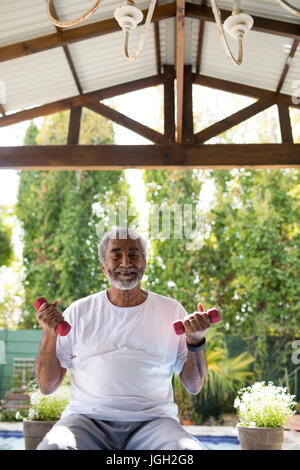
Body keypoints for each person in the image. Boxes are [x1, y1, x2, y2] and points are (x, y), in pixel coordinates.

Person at [34, 227, 211, 450]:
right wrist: (49, 333)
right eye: (116, 255)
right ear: (103, 266)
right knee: (53, 448)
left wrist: (195, 341)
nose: (126, 262)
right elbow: (47, 386)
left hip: (153, 422)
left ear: (144, 263)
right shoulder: (79, 312)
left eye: (134, 254)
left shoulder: (171, 310)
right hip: (87, 420)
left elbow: (194, 385)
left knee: (187, 452)